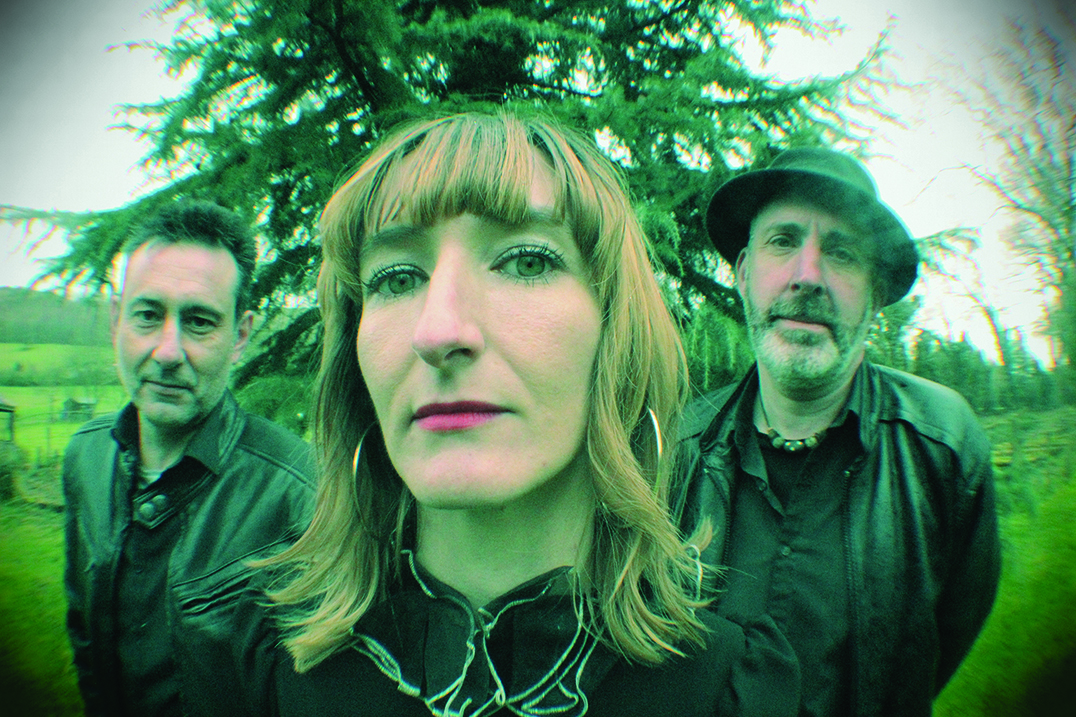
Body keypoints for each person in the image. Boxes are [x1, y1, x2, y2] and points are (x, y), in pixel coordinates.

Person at [186, 111, 800, 717]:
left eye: (526, 261)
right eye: (396, 278)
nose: (437, 331)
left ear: (616, 335)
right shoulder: (255, 666)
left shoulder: (731, 689)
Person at [676, 148, 1002, 716]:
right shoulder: (676, 449)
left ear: (875, 294)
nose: (808, 275)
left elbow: (936, 645)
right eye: (783, 241)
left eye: (842, 252)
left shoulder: (944, 449)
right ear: (744, 273)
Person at [62, 200, 316, 716]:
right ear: (116, 320)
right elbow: (85, 632)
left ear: (239, 336)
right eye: (148, 315)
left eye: (199, 321)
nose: (168, 352)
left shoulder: (299, 494)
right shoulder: (86, 456)